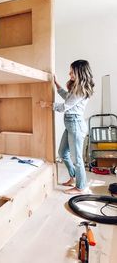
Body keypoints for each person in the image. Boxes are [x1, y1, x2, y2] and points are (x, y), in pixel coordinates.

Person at [40, 60, 94, 194]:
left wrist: (47, 104)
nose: (69, 73)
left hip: (75, 125)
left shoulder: (81, 91)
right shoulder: (76, 88)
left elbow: (65, 106)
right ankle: (74, 177)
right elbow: (67, 98)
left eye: (72, 71)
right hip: (71, 124)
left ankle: (81, 187)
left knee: (77, 159)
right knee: (63, 153)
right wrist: (57, 85)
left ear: (80, 72)